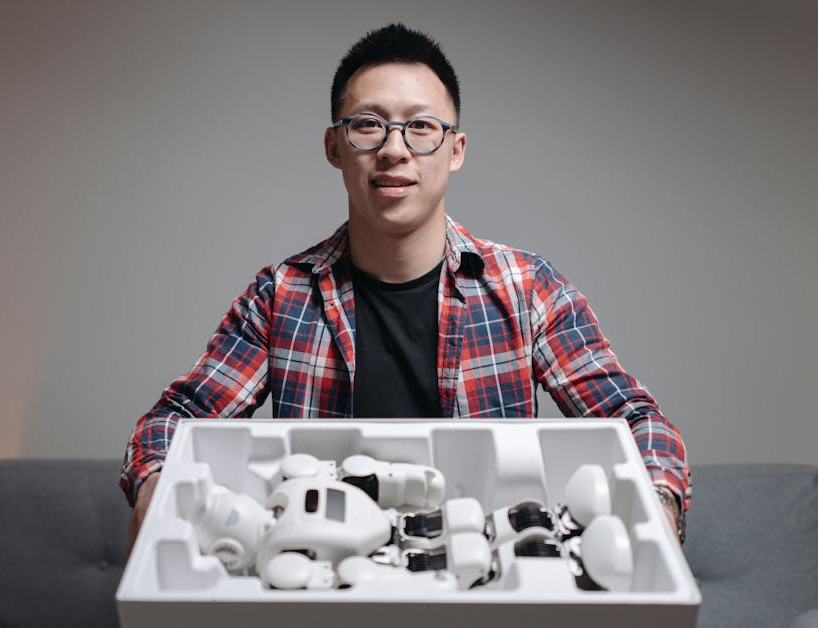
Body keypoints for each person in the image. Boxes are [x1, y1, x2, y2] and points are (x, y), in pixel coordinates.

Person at [121, 23, 690, 547]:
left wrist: (654, 508)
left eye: (421, 126)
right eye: (368, 124)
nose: (394, 149)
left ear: (455, 150)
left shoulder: (527, 288)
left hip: (481, 584)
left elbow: (635, 420)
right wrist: (156, 495)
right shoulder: (280, 295)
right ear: (334, 147)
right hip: (326, 583)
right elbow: (174, 419)